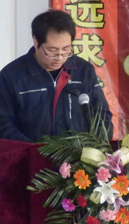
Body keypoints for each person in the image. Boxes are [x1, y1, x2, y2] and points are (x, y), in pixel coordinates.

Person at [0, 10, 113, 142]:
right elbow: (4, 124)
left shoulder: (83, 70)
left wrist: (94, 149)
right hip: (30, 153)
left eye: (66, 50)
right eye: (52, 50)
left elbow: (102, 116)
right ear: (36, 41)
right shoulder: (12, 75)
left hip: (79, 153)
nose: (59, 58)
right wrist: (35, 150)